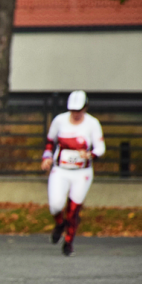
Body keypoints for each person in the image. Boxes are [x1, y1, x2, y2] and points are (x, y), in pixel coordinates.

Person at [41, 90, 105, 256]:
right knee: (55, 205)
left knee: (73, 209)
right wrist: (47, 157)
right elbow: (50, 141)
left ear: (85, 108)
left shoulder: (92, 124)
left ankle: (68, 242)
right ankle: (59, 224)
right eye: (73, 110)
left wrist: (90, 155)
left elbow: (100, 148)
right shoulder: (60, 121)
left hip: (81, 173)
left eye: (79, 110)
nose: (76, 114)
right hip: (60, 170)